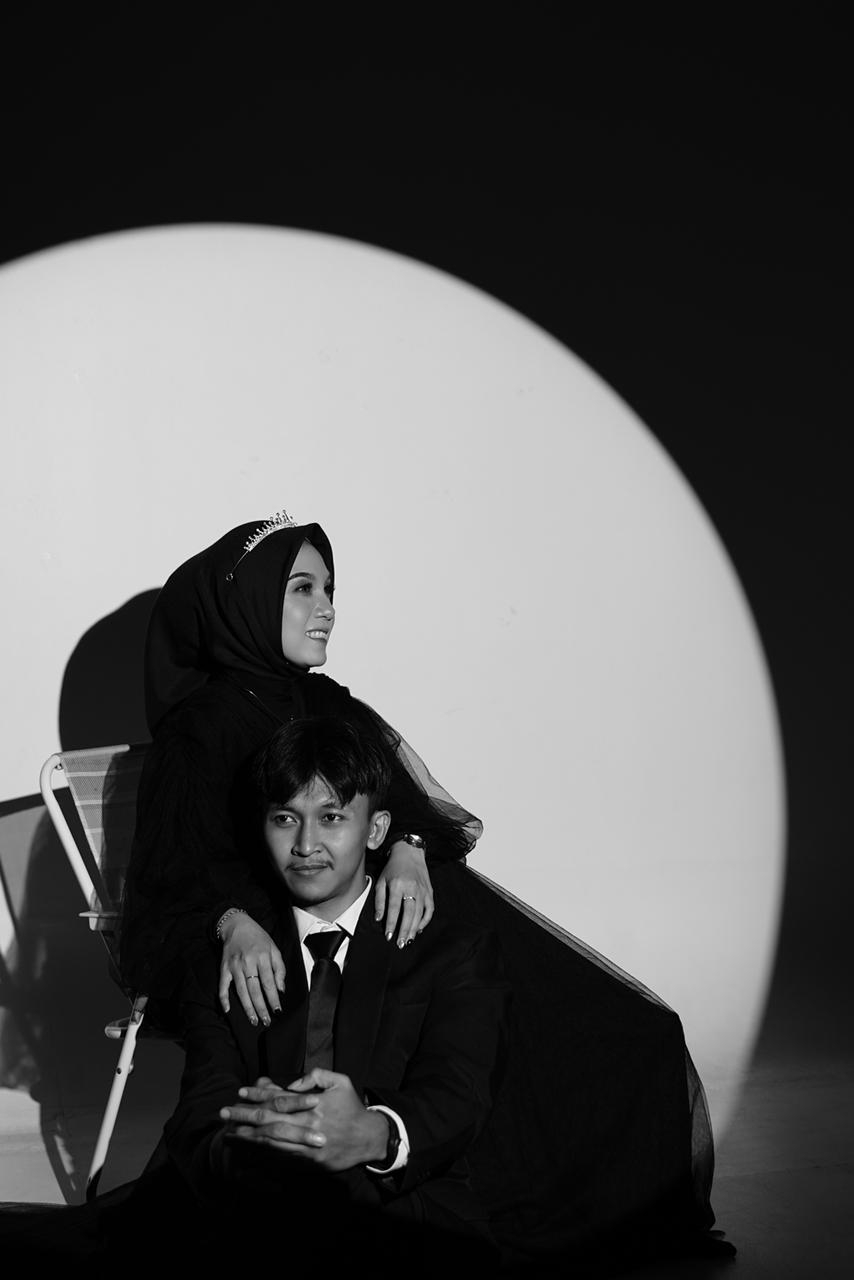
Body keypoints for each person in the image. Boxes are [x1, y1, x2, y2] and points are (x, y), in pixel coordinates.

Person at [115, 714, 511, 1270]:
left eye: (331, 818)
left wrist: (374, 1133)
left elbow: (458, 1095)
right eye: (285, 819)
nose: (305, 845)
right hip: (252, 1222)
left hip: (403, 1215)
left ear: (376, 831)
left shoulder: (452, 952)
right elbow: (202, 1107)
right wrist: (255, 1158)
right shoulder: (230, 962)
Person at [118, 510, 480, 1033]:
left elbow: (395, 799)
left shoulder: (324, 700)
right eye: (303, 589)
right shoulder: (196, 730)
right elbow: (173, 879)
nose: (327, 609)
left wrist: (409, 846)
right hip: (262, 930)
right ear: (251, 600)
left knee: (460, 918)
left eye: (329, 590)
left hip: (343, 906)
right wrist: (230, 923)